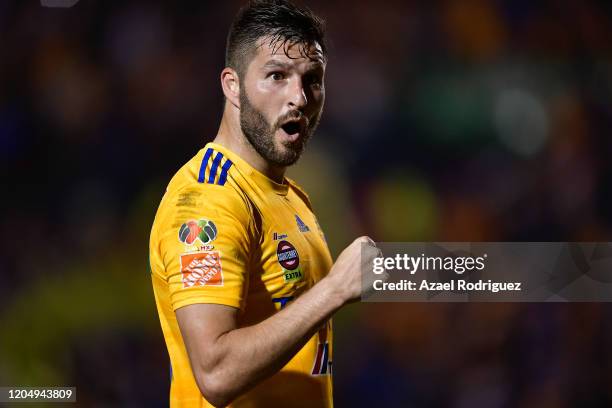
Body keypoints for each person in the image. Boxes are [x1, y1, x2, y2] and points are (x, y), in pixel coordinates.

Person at [149, 1, 380, 406]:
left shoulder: (288, 195)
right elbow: (216, 373)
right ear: (232, 85)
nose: (299, 98)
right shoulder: (207, 200)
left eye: (313, 79)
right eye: (276, 75)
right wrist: (335, 290)